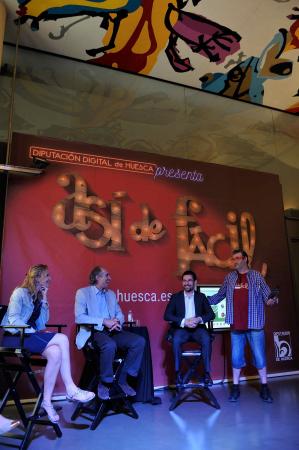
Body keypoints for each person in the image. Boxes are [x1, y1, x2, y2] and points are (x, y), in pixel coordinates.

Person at [1, 264, 95, 423]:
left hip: (29, 336)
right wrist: (32, 332)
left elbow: (42, 324)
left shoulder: (38, 296)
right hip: (15, 337)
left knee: (56, 353)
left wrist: (44, 299)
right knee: (62, 339)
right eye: (46, 275)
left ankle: (46, 402)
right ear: (37, 277)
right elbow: (13, 320)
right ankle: (70, 388)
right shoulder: (19, 293)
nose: (50, 278)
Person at [208, 249, 278, 402]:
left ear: (245, 259)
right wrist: (202, 300)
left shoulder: (257, 276)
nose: (235, 261)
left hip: (255, 324)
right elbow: (219, 296)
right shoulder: (229, 278)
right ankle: (235, 388)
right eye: (233, 258)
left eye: (238, 258)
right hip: (236, 325)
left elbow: (268, 297)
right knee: (236, 358)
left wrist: (272, 300)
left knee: (259, 358)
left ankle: (265, 388)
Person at [75, 266, 145, 400]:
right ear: (97, 277)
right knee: (109, 345)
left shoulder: (111, 294)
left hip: (112, 331)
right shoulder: (83, 293)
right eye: (106, 275)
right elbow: (80, 317)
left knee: (139, 341)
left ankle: (122, 378)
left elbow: (120, 314)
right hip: (94, 332)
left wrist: (117, 322)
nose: (110, 278)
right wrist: (103, 321)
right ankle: (105, 382)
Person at [164, 270, 215, 386]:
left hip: (198, 329)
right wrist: (184, 321)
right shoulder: (175, 297)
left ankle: (207, 374)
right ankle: (178, 374)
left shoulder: (201, 297)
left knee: (206, 339)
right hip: (182, 329)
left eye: (189, 280)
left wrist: (198, 319)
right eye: (184, 280)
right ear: (182, 282)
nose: (187, 283)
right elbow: (167, 315)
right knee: (176, 340)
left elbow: (211, 314)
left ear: (195, 282)